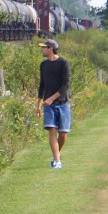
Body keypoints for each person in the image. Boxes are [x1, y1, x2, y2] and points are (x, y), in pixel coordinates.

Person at [37, 39, 71, 169]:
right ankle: (57, 161)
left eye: (43, 47)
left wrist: (51, 98)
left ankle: (56, 154)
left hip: (63, 103)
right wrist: (38, 105)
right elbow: (42, 85)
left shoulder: (63, 63)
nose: (42, 50)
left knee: (63, 134)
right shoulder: (43, 65)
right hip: (48, 106)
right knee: (52, 130)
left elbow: (65, 86)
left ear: (50, 48)